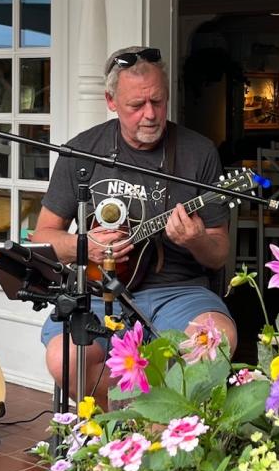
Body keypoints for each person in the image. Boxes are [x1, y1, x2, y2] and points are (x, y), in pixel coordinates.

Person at [31, 45, 237, 398]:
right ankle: (118, 424)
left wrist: (196, 239)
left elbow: (218, 253)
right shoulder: (81, 152)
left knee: (216, 341)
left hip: (179, 291)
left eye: (158, 101)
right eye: (137, 105)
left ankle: (164, 424)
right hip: (99, 292)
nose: (150, 114)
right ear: (111, 101)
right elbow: (42, 237)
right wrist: (86, 246)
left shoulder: (199, 152)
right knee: (65, 358)